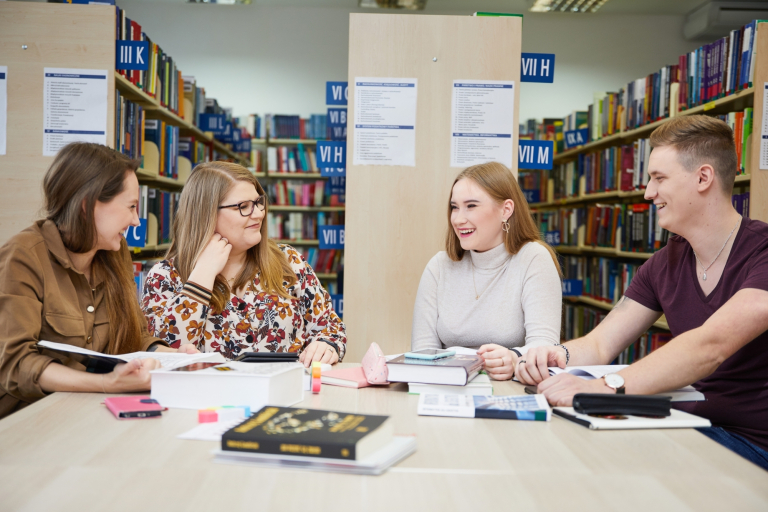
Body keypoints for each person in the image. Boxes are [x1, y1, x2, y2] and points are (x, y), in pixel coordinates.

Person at [518, 115, 768, 471]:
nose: (648, 193)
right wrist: (547, 357)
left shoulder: (762, 252)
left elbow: (711, 345)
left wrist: (610, 386)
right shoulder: (663, 264)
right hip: (685, 423)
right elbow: (601, 344)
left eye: (659, 178)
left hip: (751, 443)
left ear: (703, 178)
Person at [0, 143, 196, 419]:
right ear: (87, 205)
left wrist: (170, 357)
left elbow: (134, 335)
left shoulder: (114, 254)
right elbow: (17, 364)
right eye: (130, 207)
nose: (136, 221)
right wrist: (105, 383)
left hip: (92, 413)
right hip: (26, 421)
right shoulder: (23, 256)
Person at [141, 161, 346, 367]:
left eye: (258, 202)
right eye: (243, 207)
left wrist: (327, 345)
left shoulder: (289, 261)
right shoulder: (165, 276)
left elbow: (331, 328)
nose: (258, 213)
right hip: (208, 397)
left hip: (286, 395)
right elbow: (165, 353)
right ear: (206, 214)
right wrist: (203, 273)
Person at [410, 161, 563, 380]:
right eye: (454, 207)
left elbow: (545, 345)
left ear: (506, 210)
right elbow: (422, 352)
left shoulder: (534, 259)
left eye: (471, 206)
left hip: (512, 390)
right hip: (447, 388)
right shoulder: (439, 266)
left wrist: (513, 358)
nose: (458, 219)